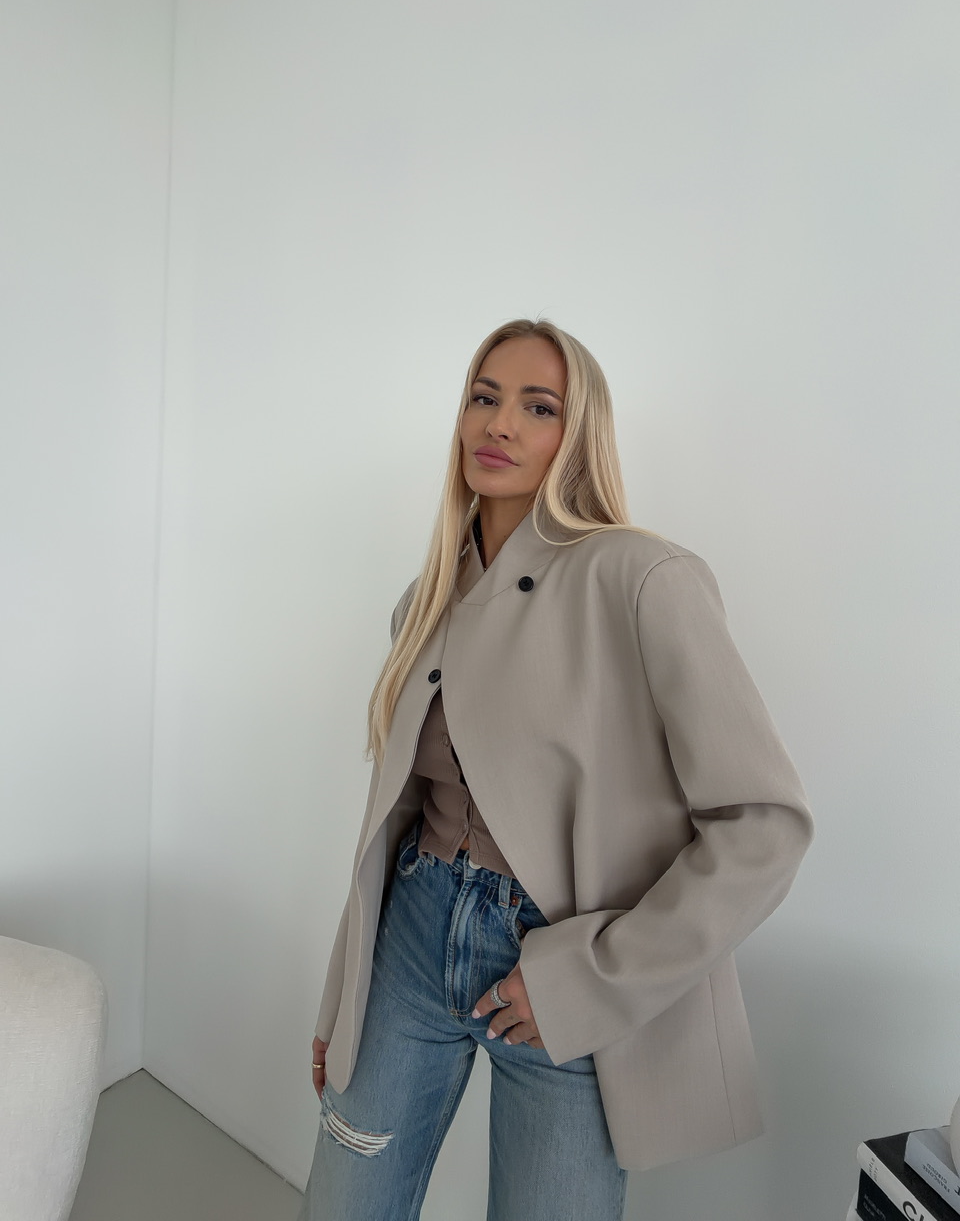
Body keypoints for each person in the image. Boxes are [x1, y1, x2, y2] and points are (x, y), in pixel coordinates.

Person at [298, 318, 814, 1221]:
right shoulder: (424, 603)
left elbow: (764, 826)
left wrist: (591, 979)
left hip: (561, 965)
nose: (500, 423)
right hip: (411, 936)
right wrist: (344, 998)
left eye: (538, 407)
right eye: (484, 397)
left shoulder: (642, 577)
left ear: (577, 435)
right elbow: (388, 822)